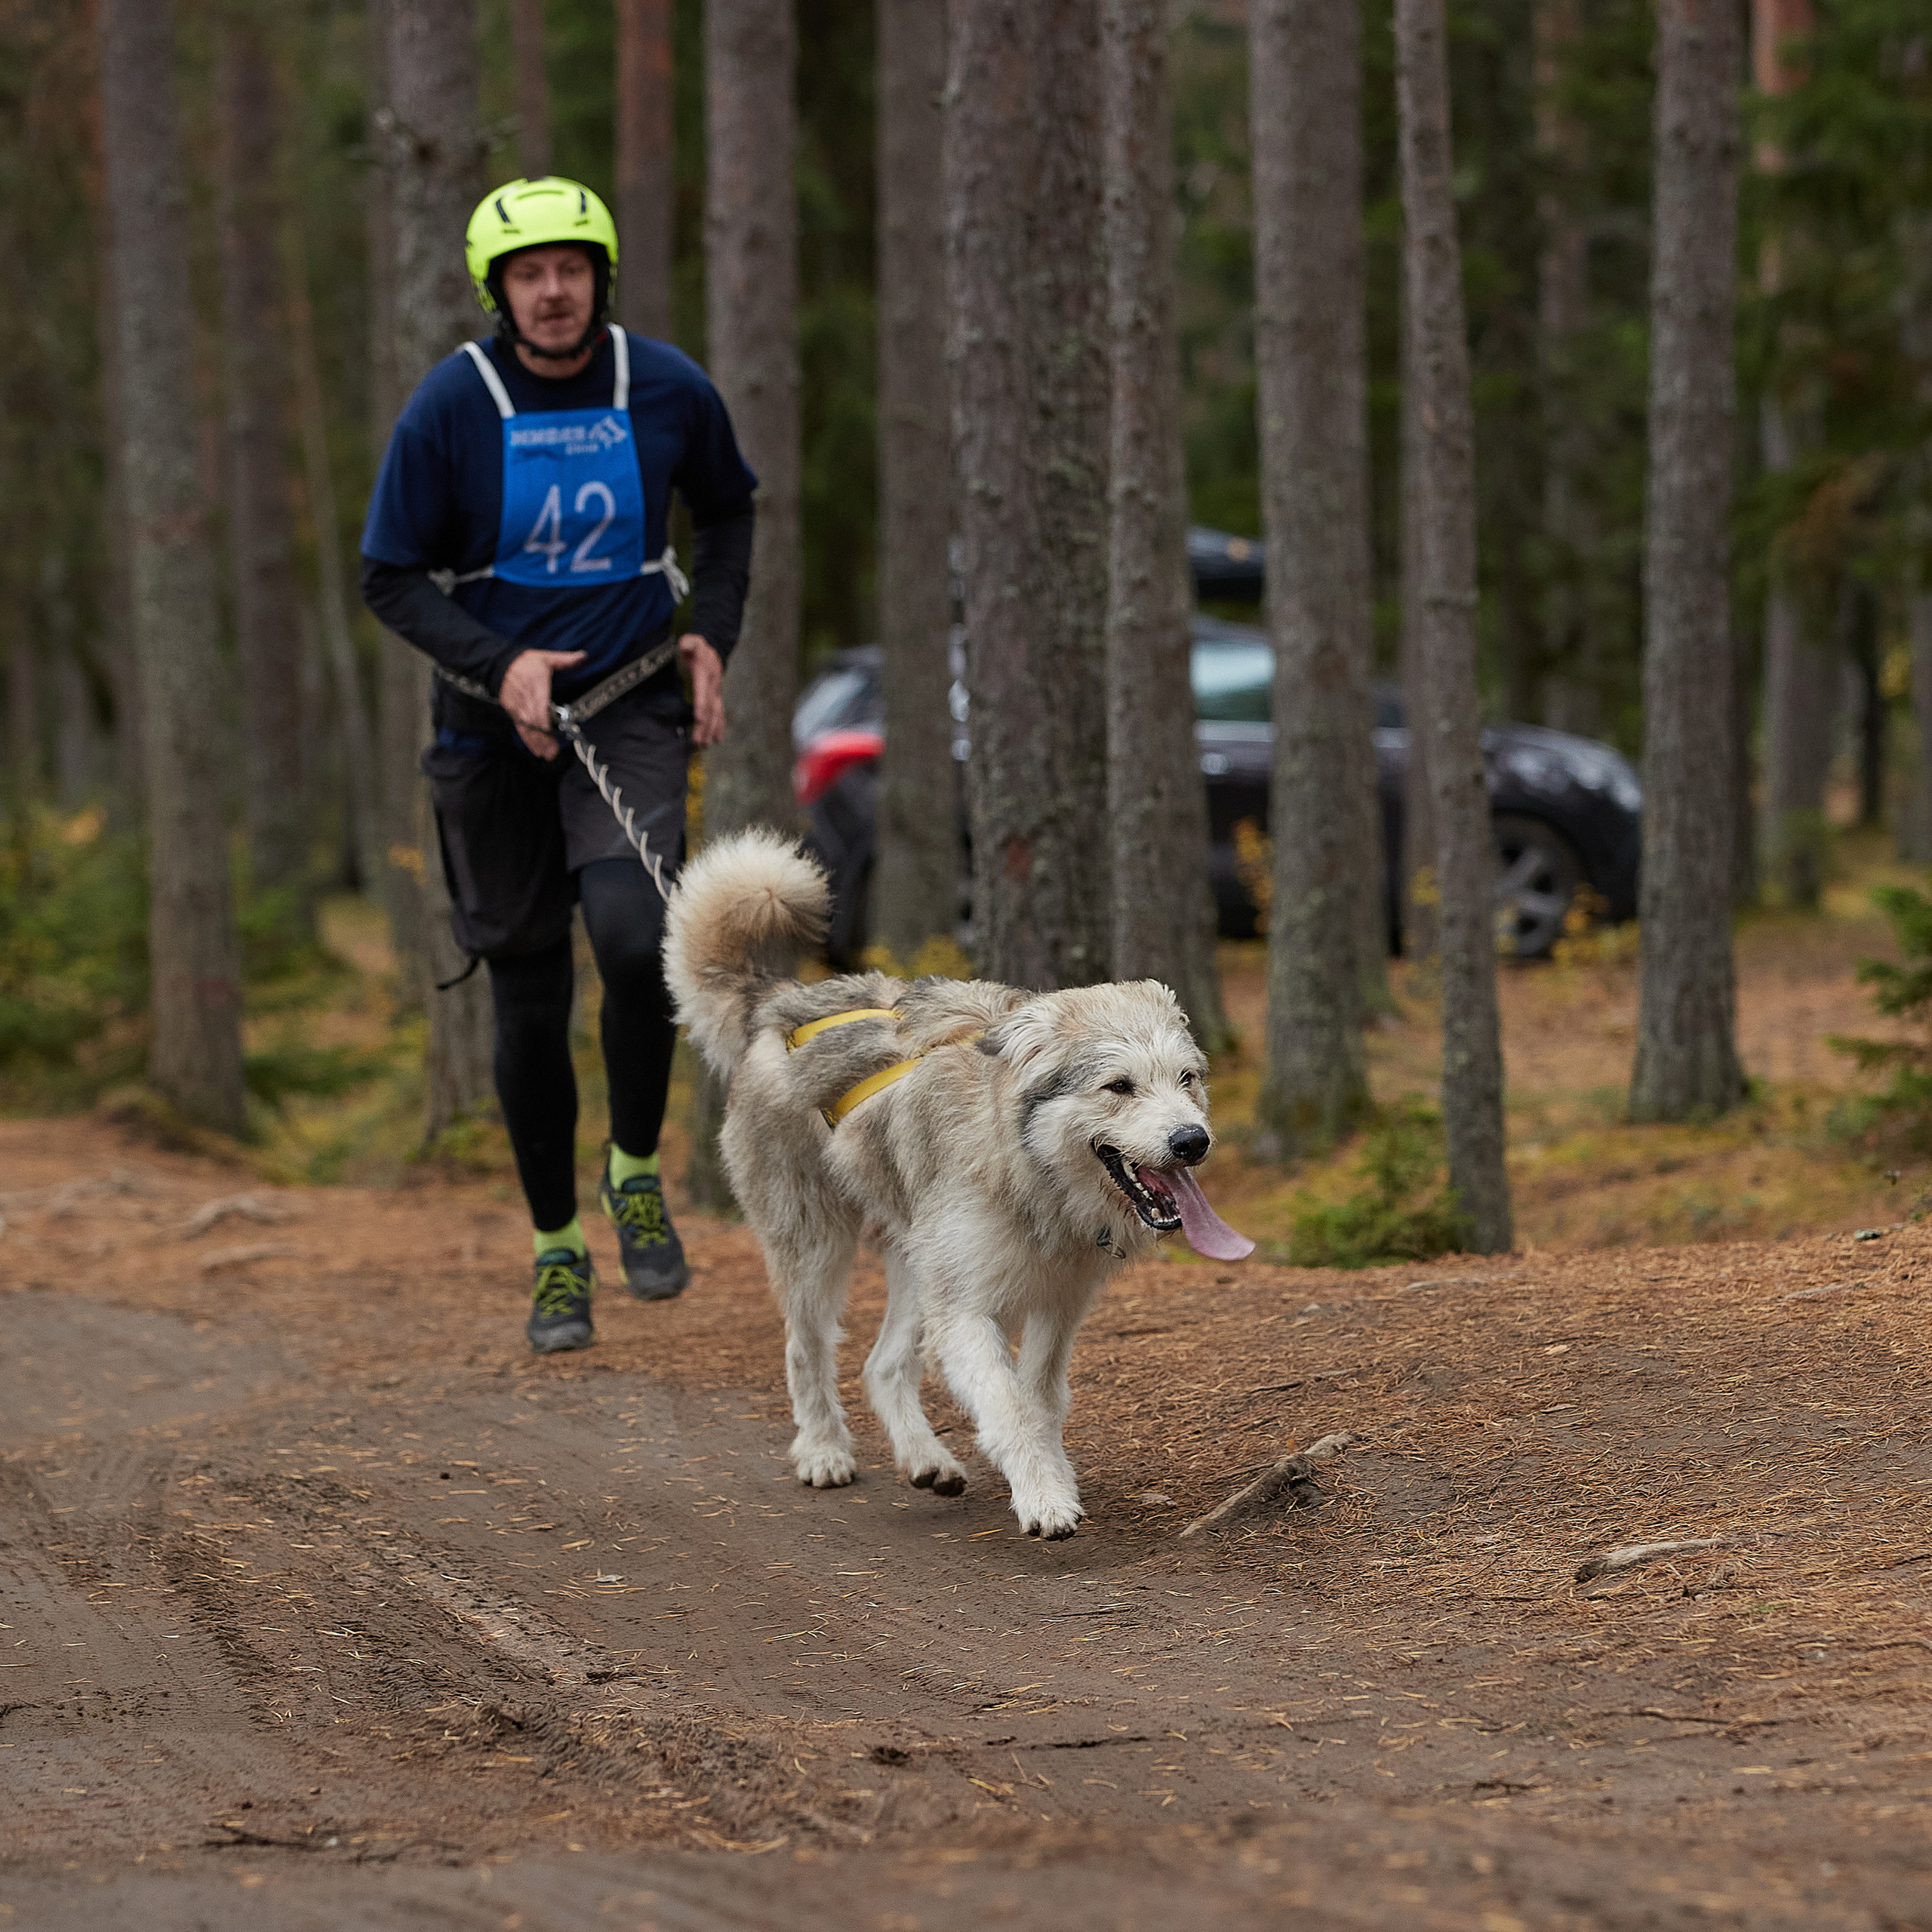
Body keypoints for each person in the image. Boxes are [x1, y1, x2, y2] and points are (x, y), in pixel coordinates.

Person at [361, 177, 756, 1355]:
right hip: (489, 737)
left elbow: (729, 511)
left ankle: (634, 1169)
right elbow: (389, 575)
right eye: (528, 274)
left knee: (638, 942)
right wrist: (502, 665)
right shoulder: (452, 405)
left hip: (629, 708)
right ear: (498, 291)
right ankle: (555, 1250)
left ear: (600, 278)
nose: (551, 292)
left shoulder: (666, 385)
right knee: (529, 1002)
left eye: (570, 269)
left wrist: (711, 635)